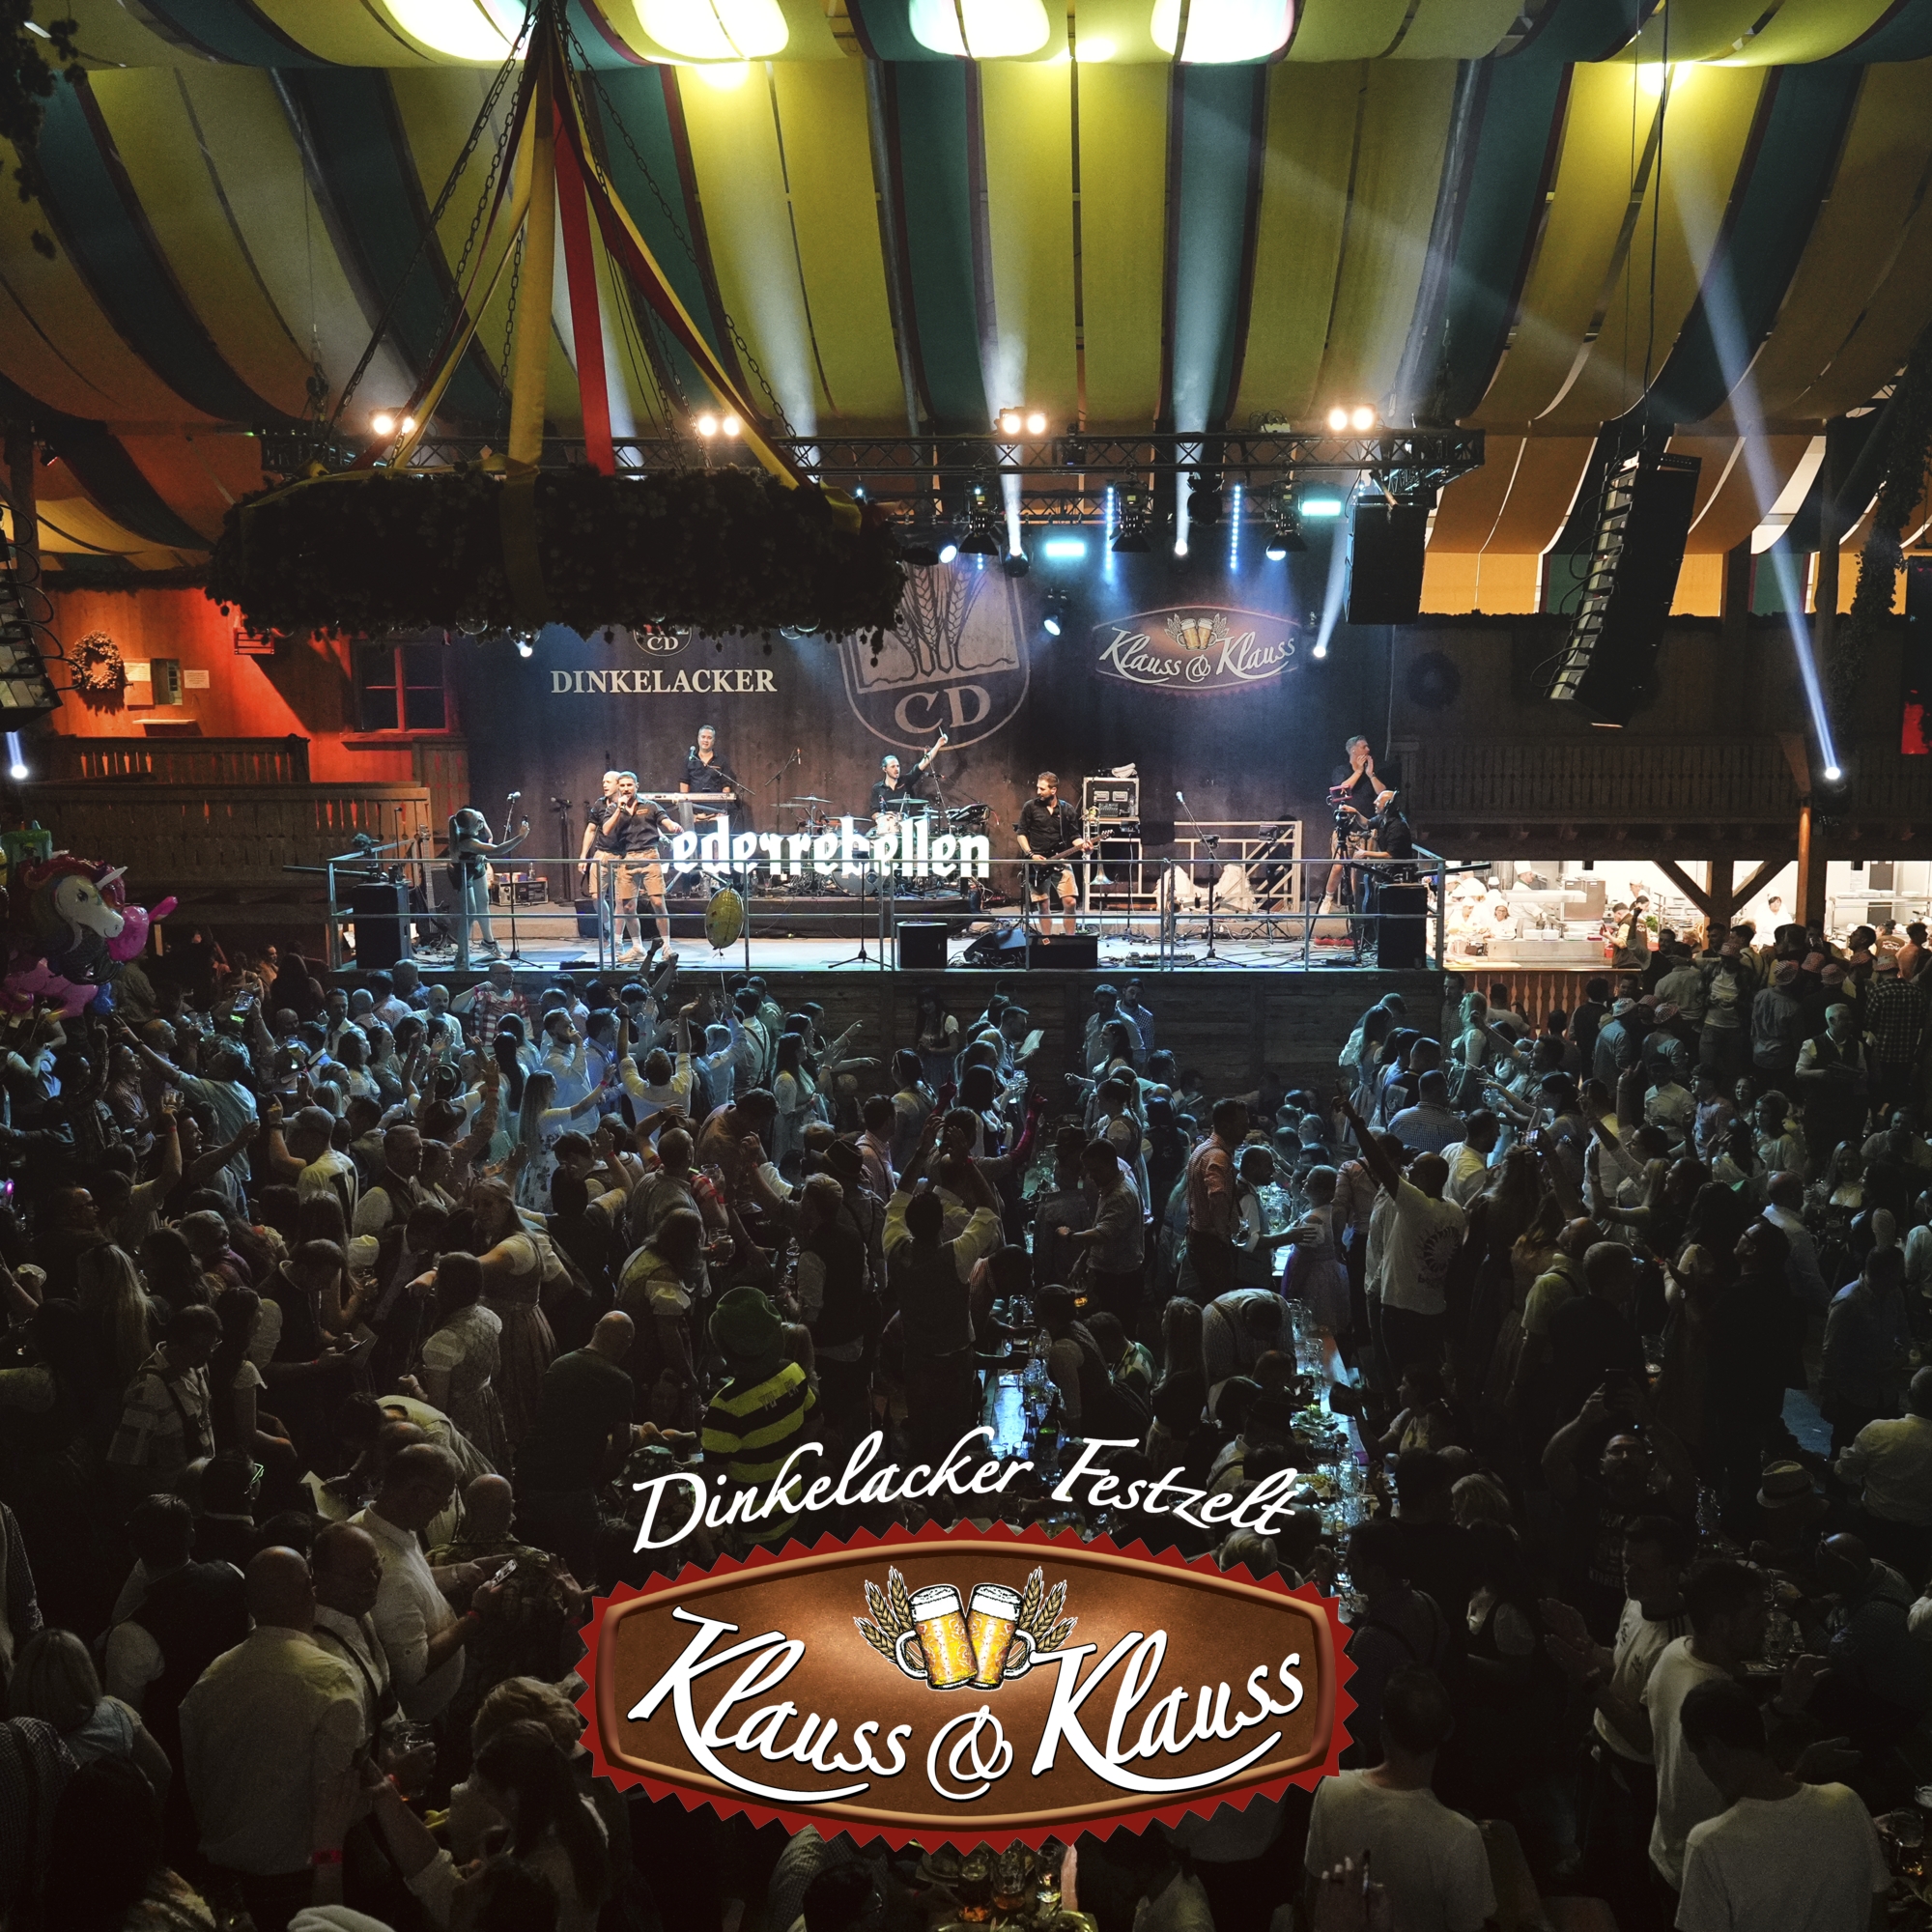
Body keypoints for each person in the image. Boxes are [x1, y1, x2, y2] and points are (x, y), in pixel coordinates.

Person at [178, 1546, 362, 1932]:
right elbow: (332, 1807)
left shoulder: (211, 1677)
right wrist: (390, 1783)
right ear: (310, 1594)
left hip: (220, 1885)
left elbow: (197, 1786)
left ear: (250, 1605)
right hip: (297, 1885)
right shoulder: (332, 1678)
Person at [1675, 1676, 1888, 1932]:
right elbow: (1878, 1910)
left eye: (1697, 1755)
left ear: (1713, 1748)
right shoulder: (1846, 1801)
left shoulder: (1707, 1845)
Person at [1302, 1665, 1494, 1932]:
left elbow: (1314, 1896)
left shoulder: (1332, 1789)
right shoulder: (1461, 1839)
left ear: (1383, 1727)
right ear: (1448, 1730)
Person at [351, 1442, 495, 1722]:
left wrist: (460, 1572)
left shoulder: (387, 1524)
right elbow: (415, 1668)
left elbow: (418, 1581)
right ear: (420, 1494)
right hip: (422, 1717)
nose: (444, 1509)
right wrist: (475, 1615)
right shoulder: (388, 1572)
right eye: (443, 1500)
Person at [514, 1312, 636, 1587]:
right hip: (571, 1482)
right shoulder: (619, 1381)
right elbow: (622, 1442)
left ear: (595, 1329)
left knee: (536, 1559)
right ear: (626, 1344)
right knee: (589, 1561)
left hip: (530, 1473)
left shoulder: (560, 1365)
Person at [1834, 1365, 1932, 1584]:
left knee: (1865, 1583)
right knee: (1909, 1586)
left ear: (1910, 1396)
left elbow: (1843, 1472)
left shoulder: (1878, 1431)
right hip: (1920, 1539)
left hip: (1873, 1528)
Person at [590, 771, 682, 963]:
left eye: (629, 785)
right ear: (619, 787)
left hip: (649, 856)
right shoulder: (613, 808)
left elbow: (664, 820)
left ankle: (667, 946)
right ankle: (637, 947)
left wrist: (672, 826)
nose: (626, 789)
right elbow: (606, 830)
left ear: (636, 786)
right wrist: (619, 809)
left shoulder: (649, 805)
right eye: (622, 786)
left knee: (657, 902)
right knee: (628, 906)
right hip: (627, 858)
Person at [446, 805, 530, 971]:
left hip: (477, 867)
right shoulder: (467, 842)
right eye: (477, 822)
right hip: (463, 872)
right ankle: (461, 955)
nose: (481, 822)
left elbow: (488, 837)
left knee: (483, 903)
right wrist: (520, 837)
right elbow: (498, 849)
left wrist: (482, 853)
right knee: (469, 913)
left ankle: (489, 942)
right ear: (468, 828)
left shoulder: (477, 824)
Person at [1014, 771, 1092, 937]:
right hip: (1037, 862)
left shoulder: (1067, 809)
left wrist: (1084, 847)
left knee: (1070, 902)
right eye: (1038, 788)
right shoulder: (1030, 807)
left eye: (1042, 789)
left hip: (1060, 859)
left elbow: (1075, 836)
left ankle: (1070, 941)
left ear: (1053, 790)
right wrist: (1031, 854)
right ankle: (1046, 941)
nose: (1038, 792)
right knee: (1043, 905)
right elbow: (1021, 834)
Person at [868, 732, 948, 817]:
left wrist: (938, 745)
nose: (896, 769)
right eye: (893, 767)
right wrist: (885, 817)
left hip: (905, 822)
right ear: (885, 769)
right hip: (888, 823)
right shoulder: (877, 788)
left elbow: (923, 763)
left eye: (898, 766)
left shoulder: (906, 781)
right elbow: (874, 813)